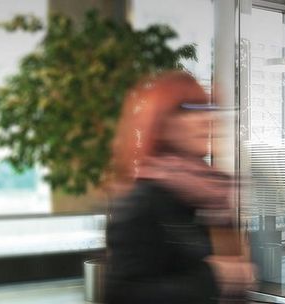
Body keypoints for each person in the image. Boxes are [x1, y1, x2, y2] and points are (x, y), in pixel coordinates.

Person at [106, 71, 256, 304]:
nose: (206, 119)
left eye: (207, 109)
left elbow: (236, 278)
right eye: (189, 109)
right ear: (162, 123)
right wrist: (214, 277)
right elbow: (122, 293)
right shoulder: (142, 201)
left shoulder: (207, 192)